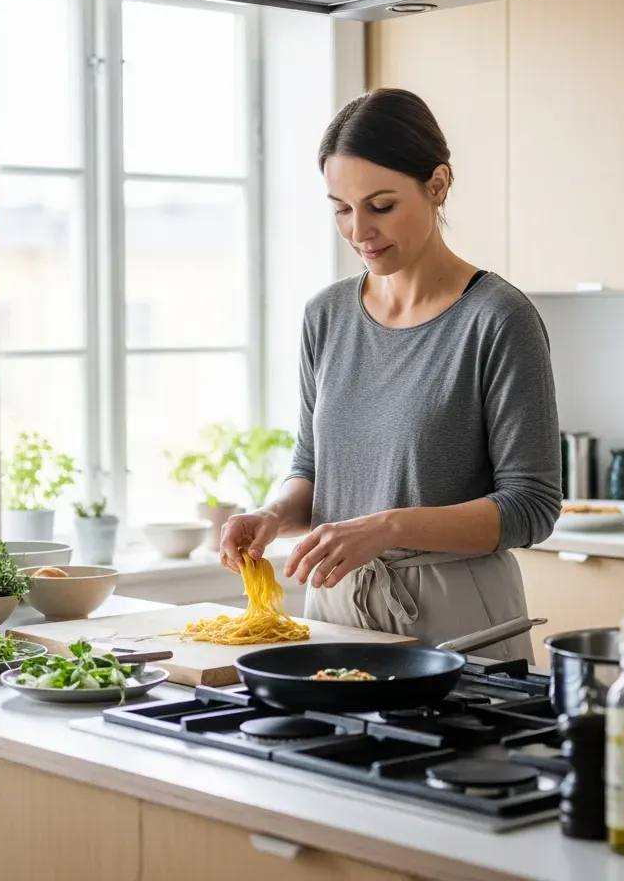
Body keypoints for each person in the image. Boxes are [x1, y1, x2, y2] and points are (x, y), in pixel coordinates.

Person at [219, 88, 562, 660]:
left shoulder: (499, 318)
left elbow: (532, 506)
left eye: (380, 206)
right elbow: (312, 471)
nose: (359, 231)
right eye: (341, 209)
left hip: (458, 613)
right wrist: (271, 516)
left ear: (437, 185)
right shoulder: (326, 315)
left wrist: (387, 528)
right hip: (335, 608)